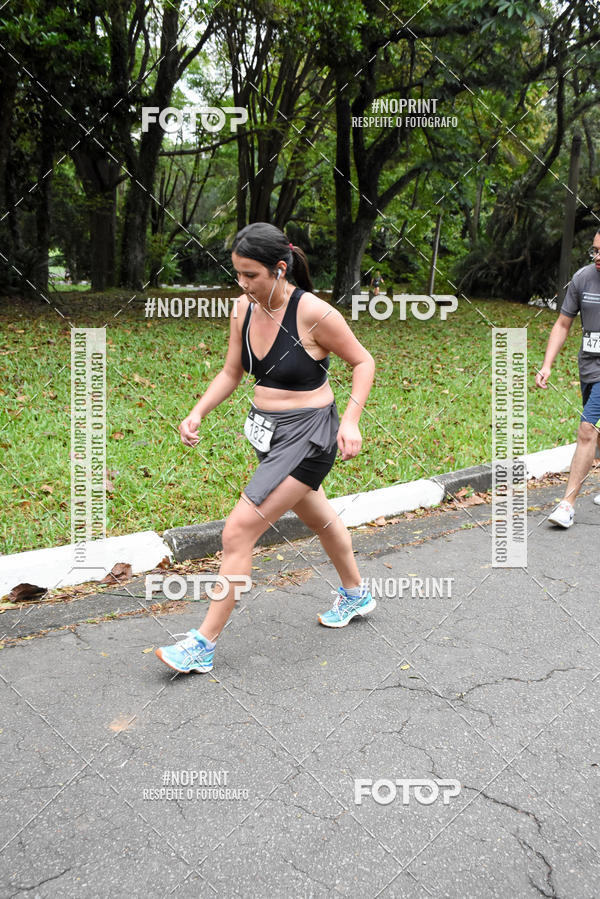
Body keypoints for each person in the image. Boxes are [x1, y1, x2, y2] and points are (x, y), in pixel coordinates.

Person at [156, 223, 376, 673]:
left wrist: (350, 421)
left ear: (280, 269)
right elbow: (231, 373)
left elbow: (363, 362)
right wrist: (198, 412)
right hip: (268, 433)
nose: (242, 284)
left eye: (250, 274)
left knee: (238, 531)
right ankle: (357, 594)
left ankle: (202, 645)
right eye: (237, 274)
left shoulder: (313, 313)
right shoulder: (243, 308)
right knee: (318, 515)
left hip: (309, 436)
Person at [536, 230, 600, 527]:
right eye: (595, 251)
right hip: (588, 366)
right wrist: (547, 364)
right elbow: (563, 323)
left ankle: (567, 504)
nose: (597, 258)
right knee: (596, 428)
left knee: (587, 429)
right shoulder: (582, 279)